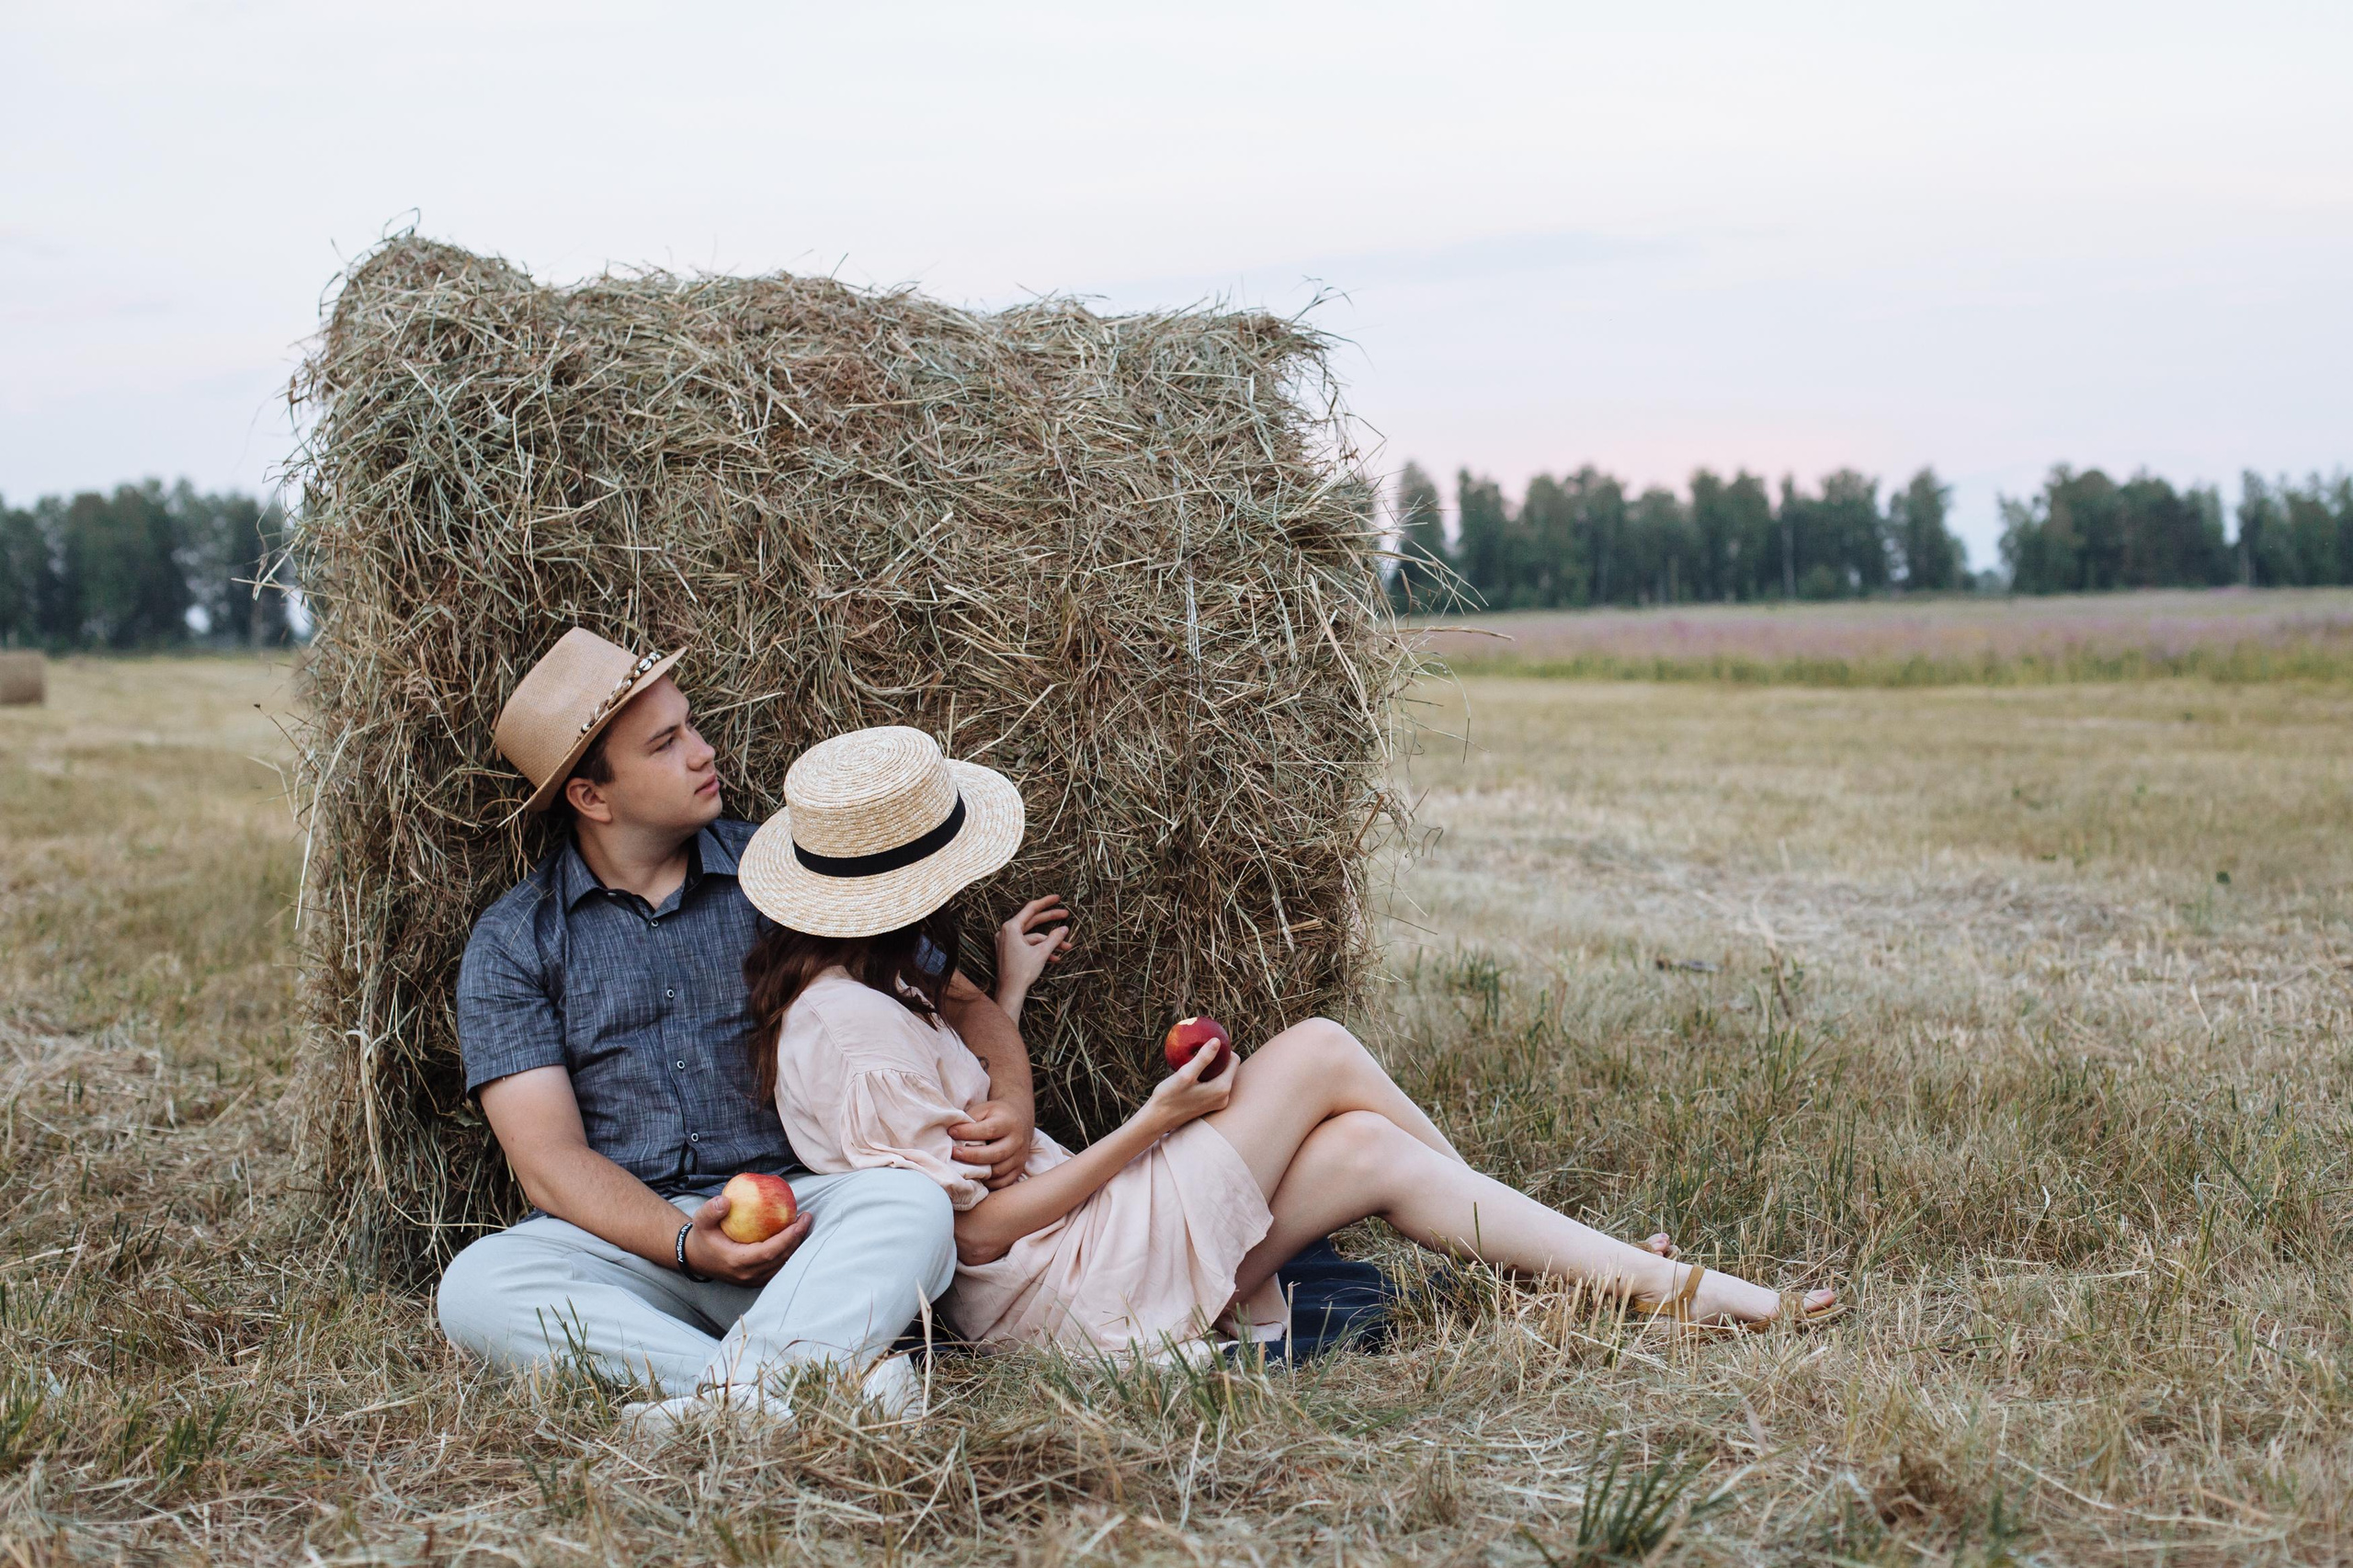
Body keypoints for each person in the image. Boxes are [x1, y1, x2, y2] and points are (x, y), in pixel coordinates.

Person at [734, 724, 1840, 1356]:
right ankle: (1623, 1270)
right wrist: (1150, 1125)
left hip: (1072, 1252)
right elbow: (971, 1239)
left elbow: (962, 1123)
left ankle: (1644, 1284)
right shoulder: (849, 1033)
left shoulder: (867, 989)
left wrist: (1008, 999)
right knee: (1315, 1048)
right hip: (1058, 1291)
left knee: (1372, 1154)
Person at [433, 631, 1044, 1426]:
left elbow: (959, 1001)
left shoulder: (785, 874)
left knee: (913, 1208)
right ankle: (794, 1391)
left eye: (690, 724)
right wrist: (686, 1242)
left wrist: (1018, 1099)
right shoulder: (518, 941)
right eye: (666, 743)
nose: (702, 751)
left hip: (804, 1222)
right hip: (634, 1246)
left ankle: (722, 1401)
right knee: (477, 1287)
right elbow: (547, 1160)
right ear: (592, 796)